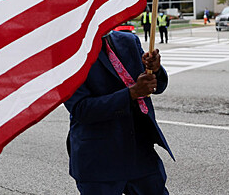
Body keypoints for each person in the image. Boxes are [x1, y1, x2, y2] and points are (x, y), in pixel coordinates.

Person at [64, 30, 173, 195]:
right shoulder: (68, 52)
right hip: (99, 160)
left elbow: (154, 86)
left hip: (140, 154)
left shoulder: (129, 40)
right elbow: (81, 109)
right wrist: (131, 93)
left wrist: (155, 70)